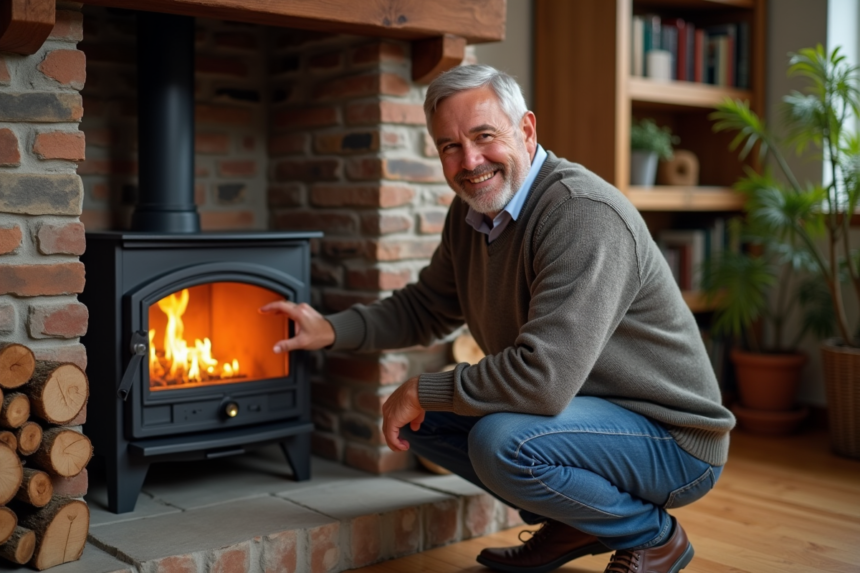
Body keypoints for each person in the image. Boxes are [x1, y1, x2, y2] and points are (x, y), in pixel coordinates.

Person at [260, 65, 735, 573]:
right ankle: (578, 521)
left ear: (526, 130)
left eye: (485, 136)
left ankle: (654, 535)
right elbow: (426, 306)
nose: (469, 161)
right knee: (426, 424)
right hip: (588, 412)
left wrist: (423, 387)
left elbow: (542, 380)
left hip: (671, 439)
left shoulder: (582, 213)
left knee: (500, 442)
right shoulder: (472, 217)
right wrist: (330, 329)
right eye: (449, 146)